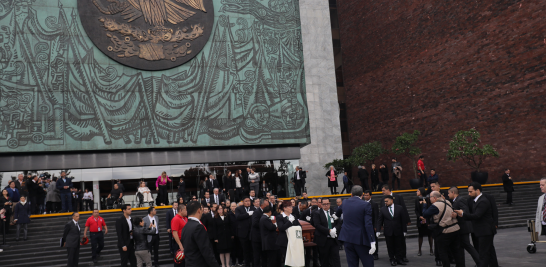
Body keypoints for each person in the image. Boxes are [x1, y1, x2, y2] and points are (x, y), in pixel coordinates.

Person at [453, 182, 498, 267]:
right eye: (469, 192)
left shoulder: (483, 201)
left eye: (471, 191)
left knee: (483, 254)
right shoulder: (474, 200)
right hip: (482, 231)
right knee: (488, 252)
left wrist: (463, 214)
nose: (469, 194)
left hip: (485, 231)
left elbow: (477, 215)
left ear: (477, 190)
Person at [421, 191, 463, 267]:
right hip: (455, 229)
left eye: (430, 197)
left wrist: (424, 205)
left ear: (434, 198)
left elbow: (425, 213)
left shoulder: (435, 206)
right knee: (456, 251)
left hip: (444, 231)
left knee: (443, 252)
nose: (429, 199)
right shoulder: (447, 201)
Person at [338, 186, 376, 267]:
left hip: (347, 238)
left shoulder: (344, 202)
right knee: (368, 263)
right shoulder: (366, 205)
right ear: (362, 194)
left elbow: (337, 213)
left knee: (352, 264)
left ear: (351, 194)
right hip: (361, 240)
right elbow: (368, 224)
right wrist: (372, 241)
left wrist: (335, 216)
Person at [449, 187, 480, 266]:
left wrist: (457, 215)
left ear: (453, 192)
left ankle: (480, 262)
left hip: (464, 227)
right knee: (461, 246)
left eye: (449, 193)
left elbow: (465, 210)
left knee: (467, 245)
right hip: (461, 227)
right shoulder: (455, 200)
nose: (448, 195)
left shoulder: (460, 200)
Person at [181, 201, 218, 267]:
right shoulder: (198, 227)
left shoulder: (185, 227)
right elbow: (206, 250)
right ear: (198, 210)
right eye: (202, 210)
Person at [377, 195, 408, 266]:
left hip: (398, 230)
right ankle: (392, 259)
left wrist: (404, 230)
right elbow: (379, 220)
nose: (385, 203)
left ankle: (399, 259)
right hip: (388, 231)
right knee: (390, 246)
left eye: (387, 201)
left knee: (399, 246)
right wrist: (378, 230)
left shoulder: (399, 208)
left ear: (392, 200)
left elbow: (403, 220)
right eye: (385, 201)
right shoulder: (382, 209)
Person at [313, 198, 341, 267]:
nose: (326, 205)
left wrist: (335, 229)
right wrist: (329, 231)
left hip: (334, 239)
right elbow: (317, 225)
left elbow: (339, 222)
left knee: (336, 259)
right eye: (324, 204)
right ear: (321, 205)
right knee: (324, 260)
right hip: (323, 240)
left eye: (327, 204)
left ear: (330, 204)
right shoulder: (317, 213)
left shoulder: (334, 211)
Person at [235, 197, 255, 267]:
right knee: (245, 251)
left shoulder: (253, 208)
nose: (247, 202)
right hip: (243, 234)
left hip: (252, 233)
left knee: (252, 250)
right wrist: (248, 214)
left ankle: (254, 264)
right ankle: (247, 264)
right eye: (246, 201)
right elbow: (238, 217)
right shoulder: (238, 209)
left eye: (249, 201)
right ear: (243, 202)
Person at [414, 187, 433, 257]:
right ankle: (419, 250)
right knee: (420, 235)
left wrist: (425, 217)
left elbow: (430, 208)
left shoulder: (427, 199)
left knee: (430, 235)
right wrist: (420, 216)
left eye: (418, 191)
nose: (416, 192)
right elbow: (416, 210)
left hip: (427, 219)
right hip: (420, 219)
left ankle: (431, 249)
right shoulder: (416, 200)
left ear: (421, 192)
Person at [251, 198, 269, 267]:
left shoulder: (265, 212)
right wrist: (264, 225)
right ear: (262, 205)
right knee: (257, 256)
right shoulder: (257, 212)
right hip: (257, 238)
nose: (268, 207)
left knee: (264, 255)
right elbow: (254, 223)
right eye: (266, 205)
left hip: (263, 238)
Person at [363, 191, 379, 260]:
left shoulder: (374, 204)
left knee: (373, 239)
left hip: (372, 224)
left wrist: (376, 226)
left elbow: (376, 215)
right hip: (364, 225)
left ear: (370, 196)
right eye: (365, 195)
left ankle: (375, 253)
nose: (365, 196)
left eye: (367, 195)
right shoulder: (362, 203)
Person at [228, 202, 243, 267]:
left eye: (235, 206)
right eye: (233, 206)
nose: (234, 208)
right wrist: (231, 234)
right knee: (233, 249)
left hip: (240, 233)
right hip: (232, 235)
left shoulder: (239, 214)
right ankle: (233, 262)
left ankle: (240, 261)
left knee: (240, 248)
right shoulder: (228, 215)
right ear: (230, 207)